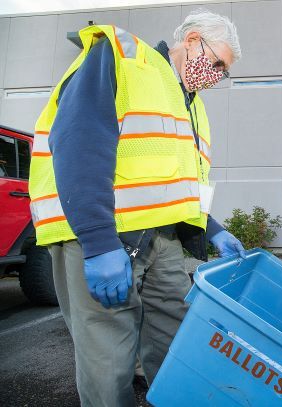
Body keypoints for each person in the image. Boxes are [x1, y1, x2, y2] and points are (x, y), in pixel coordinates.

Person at [28, 10, 244, 406]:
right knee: (107, 360)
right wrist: (97, 241)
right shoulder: (123, 58)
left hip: (162, 241)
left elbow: (178, 184)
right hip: (103, 239)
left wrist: (213, 230)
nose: (216, 75)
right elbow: (79, 144)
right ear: (193, 40)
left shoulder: (190, 106)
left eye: (223, 72)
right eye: (217, 64)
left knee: (177, 341)